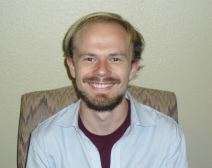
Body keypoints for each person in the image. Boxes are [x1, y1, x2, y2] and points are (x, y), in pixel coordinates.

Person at [26, 12, 188, 168]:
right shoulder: (45, 140)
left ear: (133, 68)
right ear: (72, 67)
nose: (102, 70)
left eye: (115, 59)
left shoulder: (168, 137)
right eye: (89, 58)